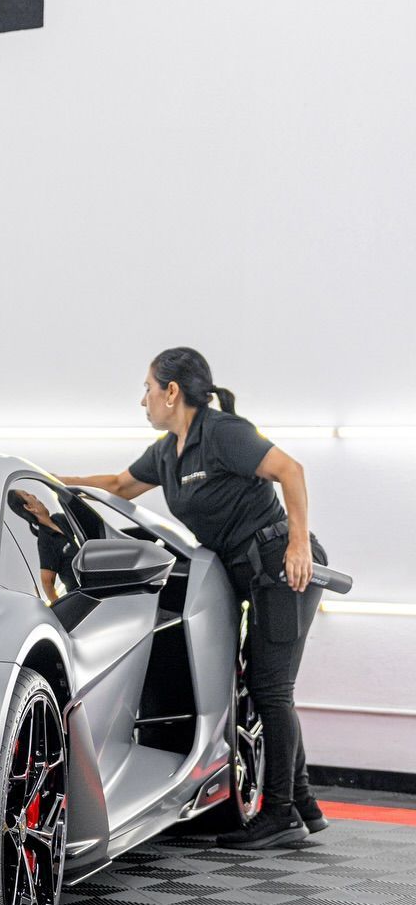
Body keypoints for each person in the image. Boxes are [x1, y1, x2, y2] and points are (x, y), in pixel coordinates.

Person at [63, 346, 327, 848]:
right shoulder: (167, 452)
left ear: (172, 391)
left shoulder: (222, 431)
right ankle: (304, 804)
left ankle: (282, 814)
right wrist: (54, 482)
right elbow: (118, 484)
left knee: (271, 688)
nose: (142, 400)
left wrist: (298, 544)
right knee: (265, 684)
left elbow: (290, 470)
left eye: (147, 388)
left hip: (280, 565)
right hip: (244, 572)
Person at [8, 488, 78, 602]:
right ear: (29, 507)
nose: (34, 495)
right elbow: (46, 582)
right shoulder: (45, 541)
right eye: (27, 494)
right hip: (82, 597)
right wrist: (60, 611)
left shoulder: (59, 519)